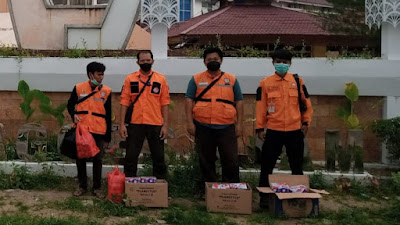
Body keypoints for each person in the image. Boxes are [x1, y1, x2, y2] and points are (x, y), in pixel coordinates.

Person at [256, 49, 313, 206]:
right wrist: (260, 128)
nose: (282, 64)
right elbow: (260, 107)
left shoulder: (298, 81)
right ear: (273, 62)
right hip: (274, 130)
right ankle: (264, 199)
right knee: (267, 165)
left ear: (290, 64)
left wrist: (306, 122)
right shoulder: (265, 83)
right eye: (278, 61)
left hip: (295, 130)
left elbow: (307, 104)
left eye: (285, 62)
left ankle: (297, 198)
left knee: (297, 165)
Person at [185, 47, 244, 184]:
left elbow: (239, 101)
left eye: (216, 59)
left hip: (226, 125)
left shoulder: (231, 79)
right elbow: (188, 100)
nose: (213, 61)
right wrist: (189, 122)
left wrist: (240, 124)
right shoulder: (196, 79)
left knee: (230, 159)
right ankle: (209, 189)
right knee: (206, 159)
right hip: (202, 125)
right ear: (204, 62)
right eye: (209, 59)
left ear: (221, 60)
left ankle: (232, 191)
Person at [119, 50, 169, 179]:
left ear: (152, 61)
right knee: (131, 156)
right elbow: (124, 102)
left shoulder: (160, 79)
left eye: (148, 60)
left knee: (158, 157)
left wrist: (165, 125)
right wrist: (122, 124)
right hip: (135, 123)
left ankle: (160, 187)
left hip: (155, 123)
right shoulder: (130, 79)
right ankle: (129, 186)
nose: (145, 63)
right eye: (142, 61)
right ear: (137, 62)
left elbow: (165, 103)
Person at [67, 61, 112, 198]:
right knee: (80, 159)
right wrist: (73, 115)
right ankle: (82, 186)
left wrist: (107, 137)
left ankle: (97, 188)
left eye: (103, 74)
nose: (101, 77)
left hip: (99, 131)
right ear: (90, 74)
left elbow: (109, 115)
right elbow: (70, 105)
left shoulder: (106, 91)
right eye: (99, 74)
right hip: (83, 130)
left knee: (97, 160)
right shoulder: (79, 88)